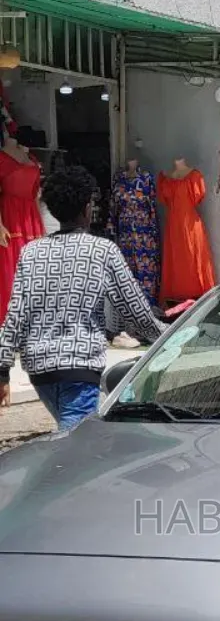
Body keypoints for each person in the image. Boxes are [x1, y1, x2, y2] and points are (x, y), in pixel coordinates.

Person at [0, 165, 164, 430]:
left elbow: (16, 314)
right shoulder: (103, 250)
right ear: (88, 208)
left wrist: (2, 369)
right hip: (79, 366)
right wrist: (169, 336)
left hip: (40, 371)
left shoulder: (31, 252)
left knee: (79, 440)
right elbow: (135, 311)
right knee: (77, 450)